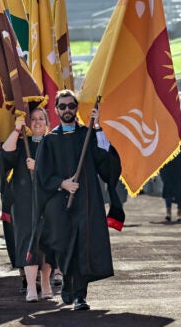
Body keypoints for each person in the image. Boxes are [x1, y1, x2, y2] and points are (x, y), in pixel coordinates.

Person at [35, 90, 124, 311]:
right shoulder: (49, 140)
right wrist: (62, 183)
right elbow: (42, 175)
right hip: (59, 206)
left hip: (86, 202)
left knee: (83, 248)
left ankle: (79, 295)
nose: (67, 110)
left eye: (71, 106)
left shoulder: (88, 135)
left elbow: (107, 165)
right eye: (62, 106)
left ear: (76, 108)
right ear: (56, 110)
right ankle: (67, 281)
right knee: (64, 248)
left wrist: (97, 128)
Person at [0, 108, 53, 302]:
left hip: (48, 200)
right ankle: (30, 287)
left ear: (47, 122)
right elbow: (5, 155)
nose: (37, 122)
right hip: (24, 203)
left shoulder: (53, 144)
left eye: (41, 119)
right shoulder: (22, 145)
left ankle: (45, 283)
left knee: (46, 243)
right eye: (33, 119)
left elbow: (61, 170)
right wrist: (17, 129)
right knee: (27, 242)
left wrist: (39, 168)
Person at [160, 131, 181, 222]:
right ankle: (168, 213)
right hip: (167, 167)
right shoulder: (164, 135)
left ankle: (179, 213)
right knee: (168, 189)